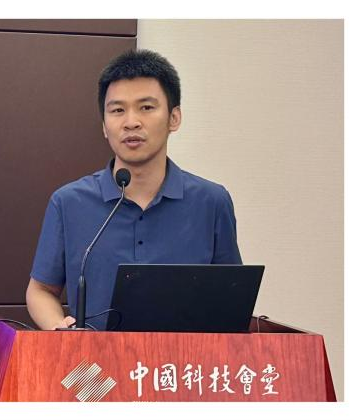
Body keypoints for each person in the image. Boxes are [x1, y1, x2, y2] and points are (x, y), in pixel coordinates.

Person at [25, 49, 242, 330]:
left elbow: (230, 297)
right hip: (94, 359)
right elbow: (40, 290)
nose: (131, 122)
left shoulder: (212, 202)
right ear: (105, 126)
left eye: (146, 107)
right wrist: (59, 328)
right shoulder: (68, 202)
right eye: (117, 110)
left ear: (174, 118)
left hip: (181, 358)